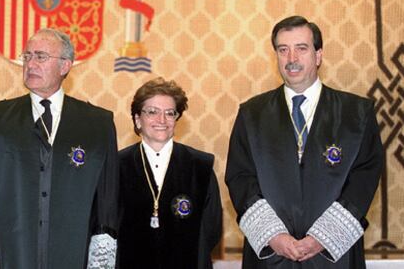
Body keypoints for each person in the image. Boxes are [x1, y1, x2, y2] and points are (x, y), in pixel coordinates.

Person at [225, 15, 384, 269]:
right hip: (271, 256)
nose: (292, 59)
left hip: (333, 256)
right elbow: (240, 178)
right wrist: (274, 237)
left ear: (318, 55)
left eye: (301, 48)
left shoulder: (357, 113)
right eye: (283, 50)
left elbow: (364, 178)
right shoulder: (251, 114)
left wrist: (321, 238)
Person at [0, 28, 119, 269]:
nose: (30, 64)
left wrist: (101, 263)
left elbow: (107, 201)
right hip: (13, 254)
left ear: (65, 66)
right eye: (26, 56)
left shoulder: (97, 124)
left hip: (72, 254)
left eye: (40, 56)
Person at [117, 77, 222, 269]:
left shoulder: (201, 166)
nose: (162, 120)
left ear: (176, 119)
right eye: (152, 112)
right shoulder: (116, 166)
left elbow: (212, 229)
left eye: (169, 113)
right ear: (137, 119)